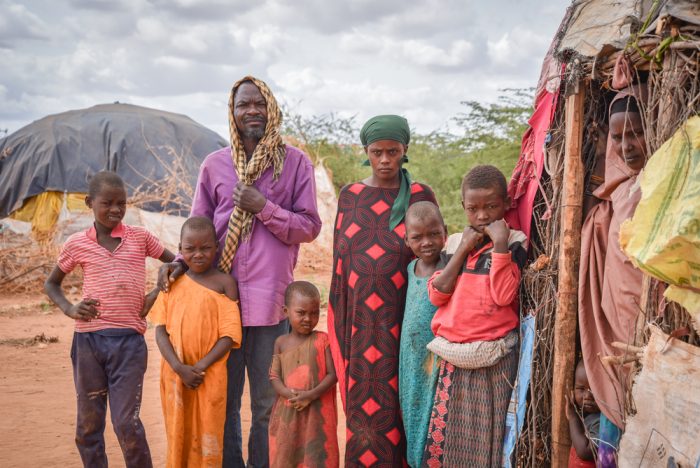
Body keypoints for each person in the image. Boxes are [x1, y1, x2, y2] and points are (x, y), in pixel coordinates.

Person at [158, 76, 321, 468]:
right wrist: (177, 263)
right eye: (243, 105)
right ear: (232, 113)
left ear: (271, 108)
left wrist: (263, 206)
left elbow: (309, 227)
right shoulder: (214, 165)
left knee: (266, 403)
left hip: (269, 305)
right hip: (219, 304)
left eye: (258, 103)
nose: (251, 111)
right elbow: (198, 226)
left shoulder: (295, 163)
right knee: (223, 401)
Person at [44, 170, 175, 468]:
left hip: (128, 344)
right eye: (108, 203)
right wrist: (69, 308)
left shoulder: (140, 238)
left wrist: (156, 290)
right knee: (88, 424)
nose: (116, 210)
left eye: (122, 203)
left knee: (126, 422)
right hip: (88, 341)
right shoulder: (77, 243)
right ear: (90, 202)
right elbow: (51, 284)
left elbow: (177, 262)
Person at [327, 114, 437, 466]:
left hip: (404, 325)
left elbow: (432, 251)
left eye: (393, 151)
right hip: (360, 328)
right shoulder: (350, 197)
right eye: (377, 152)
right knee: (363, 413)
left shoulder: (420, 194)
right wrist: (339, 326)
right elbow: (340, 268)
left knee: (404, 407)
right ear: (366, 152)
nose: (385, 159)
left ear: (405, 151)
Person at [423, 165, 527, 467]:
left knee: (487, 440)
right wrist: (464, 247)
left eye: (491, 207)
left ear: (506, 204)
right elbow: (437, 293)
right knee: (450, 441)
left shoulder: (515, 240)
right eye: (473, 209)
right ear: (463, 208)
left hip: (492, 358)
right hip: (452, 356)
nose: (482, 216)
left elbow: (504, 295)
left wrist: (499, 244)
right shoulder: (455, 242)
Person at [578, 85, 648, 467]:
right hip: (616, 332)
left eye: (635, 133)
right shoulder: (619, 191)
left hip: (649, 328)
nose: (626, 146)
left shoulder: (658, 185)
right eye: (618, 137)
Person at [150, 216, 243, 467]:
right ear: (179, 250)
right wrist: (180, 368)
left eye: (205, 248)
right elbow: (160, 331)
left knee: (209, 430)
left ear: (217, 248)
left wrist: (200, 367)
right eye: (190, 249)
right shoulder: (173, 282)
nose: (198, 254)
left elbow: (230, 335)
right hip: (175, 375)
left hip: (209, 375)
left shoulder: (225, 284)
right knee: (178, 428)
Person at [268, 281, 339, 468]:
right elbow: (274, 376)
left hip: (317, 413)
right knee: (286, 454)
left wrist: (309, 395)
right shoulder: (280, 342)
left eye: (314, 312)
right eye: (301, 313)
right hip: (288, 411)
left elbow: (333, 375)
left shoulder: (323, 340)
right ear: (286, 311)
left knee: (316, 455)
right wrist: (289, 395)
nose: (308, 318)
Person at [398, 201, 447, 468]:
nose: (426, 242)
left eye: (433, 234)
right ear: (407, 240)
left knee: (433, 419)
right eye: (417, 237)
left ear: (445, 233)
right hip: (410, 360)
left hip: (435, 362)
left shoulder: (449, 269)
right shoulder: (410, 269)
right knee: (412, 412)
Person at [566, 360, 601, 468]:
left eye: (594, 389)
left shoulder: (602, 422)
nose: (587, 396)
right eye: (581, 389)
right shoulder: (583, 414)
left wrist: (572, 417)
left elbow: (585, 451)